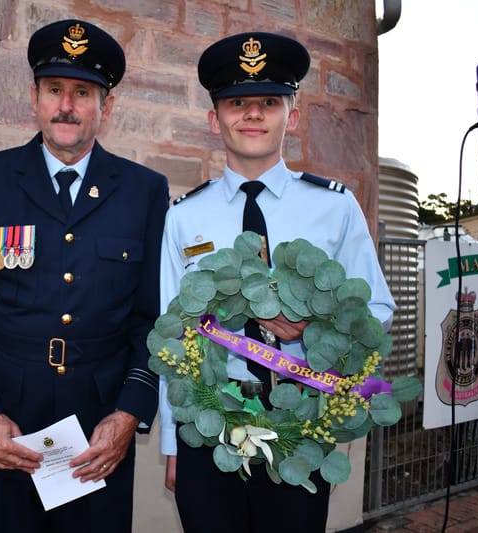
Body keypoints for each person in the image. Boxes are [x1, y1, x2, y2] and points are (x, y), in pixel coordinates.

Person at [0, 18, 169, 533]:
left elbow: (154, 318)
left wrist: (128, 413)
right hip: (9, 423)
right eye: (54, 89)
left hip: (100, 429)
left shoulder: (144, 192)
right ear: (33, 98)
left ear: (106, 105)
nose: (66, 106)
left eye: (83, 93)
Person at [157, 32, 396, 532]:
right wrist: (173, 442)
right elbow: (172, 335)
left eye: (269, 102)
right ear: (214, 119)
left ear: (294, 115)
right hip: (208, 424)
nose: (252, 114)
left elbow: (376, 308)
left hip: (301, 425)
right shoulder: (184, 216)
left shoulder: (333, 206)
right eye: (236, 103)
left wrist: (316, 329)